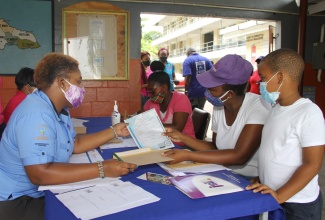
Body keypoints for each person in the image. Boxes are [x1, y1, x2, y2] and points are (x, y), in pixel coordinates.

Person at [0, 52, 137, 220]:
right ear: (62, 83)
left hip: (36, 192)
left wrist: (114, 131)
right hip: (17, 201)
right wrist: (102, 169)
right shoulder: (36, 114)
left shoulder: (58, 110)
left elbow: (74, 143)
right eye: (78, 82)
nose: (81, 88)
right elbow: (39, 173)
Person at [246, 48, 325, 220]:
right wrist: (263, 177)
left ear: (280, 77)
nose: (260, 83)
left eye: (263, 78)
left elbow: (312, 164)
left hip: (298, 204)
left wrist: (280, 195)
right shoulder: (276, 108)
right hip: (275, 195)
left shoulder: (309, 112)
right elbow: (276, 150)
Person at [162, 54, 269, 178]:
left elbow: (240, 157)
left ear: (230, 94)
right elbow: (215, 147)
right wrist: (182, 137)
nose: (207, 92)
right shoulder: (220, 106)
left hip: (247, 178)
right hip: (220, 170)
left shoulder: (258, 107)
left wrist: (187, 155)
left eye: (212, 89)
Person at [144, 71, 195, 142]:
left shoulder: (180, 99)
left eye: (153, 91)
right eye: (149, 92)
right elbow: (144, 122)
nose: (150, 95)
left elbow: (177, 128)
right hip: (160, 142)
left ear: (164, 88)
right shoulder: (149, 104)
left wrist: (149, 127)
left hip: (183, 144)